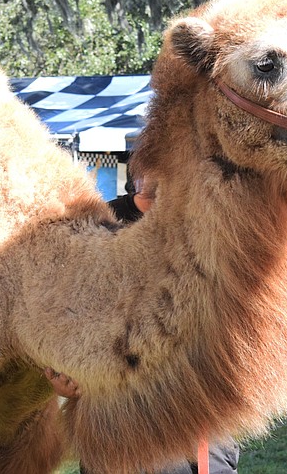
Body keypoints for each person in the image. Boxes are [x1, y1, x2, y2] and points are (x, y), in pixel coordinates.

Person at [46, 177, 239, 474]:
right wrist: (61, 372)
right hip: (118, 411)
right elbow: (60, 308)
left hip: (199, 410)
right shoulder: (96, 223)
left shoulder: (207, 223)